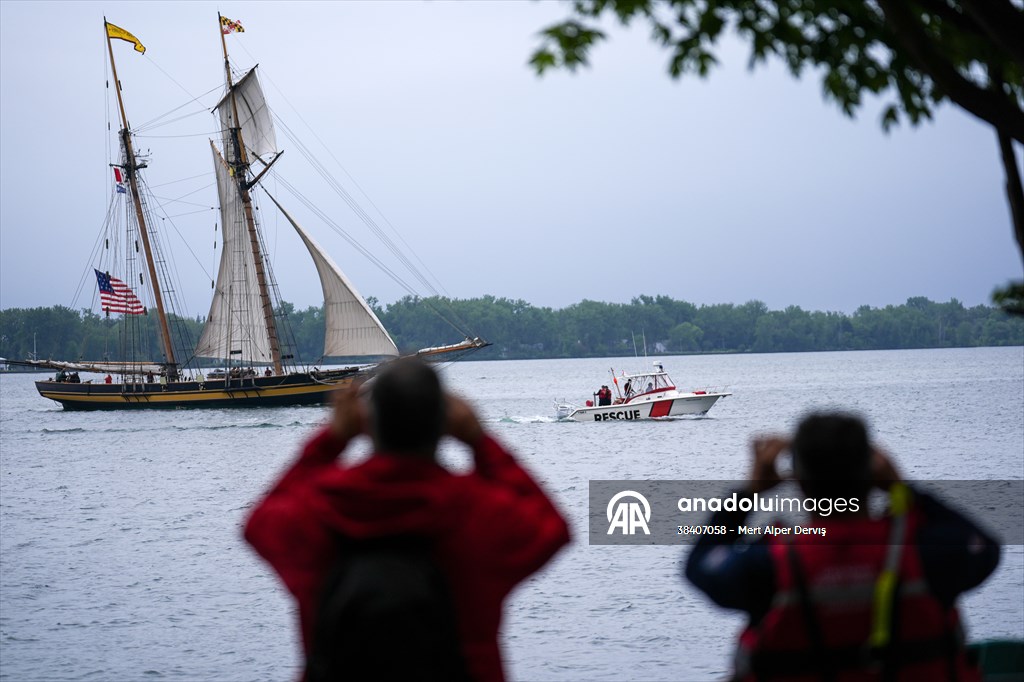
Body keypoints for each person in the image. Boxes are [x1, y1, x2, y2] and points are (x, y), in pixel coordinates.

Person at [244, 358, 570, 682]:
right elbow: (551, 528)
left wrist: (331, 440)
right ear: (444, 423)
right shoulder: (475, 512)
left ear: (367, 424)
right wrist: (478, 439)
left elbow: (257, 524)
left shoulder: (318, 509)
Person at [685, 412, 999, 681]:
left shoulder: (768, 566)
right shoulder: (922, 554)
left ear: (797, 480)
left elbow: (699, 561)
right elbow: (985, 546)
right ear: (872, 472)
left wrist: (748, 492)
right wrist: (903, 489)